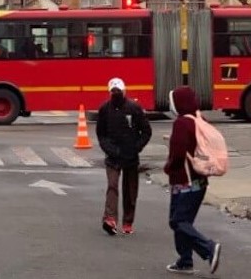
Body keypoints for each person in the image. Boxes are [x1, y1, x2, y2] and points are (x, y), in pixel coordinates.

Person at [164, 85, 221, 275]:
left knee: (178, 221)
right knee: (183, 221)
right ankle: (185, 260)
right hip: (200, 181)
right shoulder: (199, 119)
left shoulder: (181, 123)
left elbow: (178, 154)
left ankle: (208, 248)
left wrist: (168, 167)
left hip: (185, 181)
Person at [95, 77, 152, 236]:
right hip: (113, 157)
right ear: (109, 93)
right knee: (112, 186)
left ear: (124, 91)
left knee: (130, 191)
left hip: (131, 157)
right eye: (113, 91)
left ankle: (128, 222)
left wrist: (136, 147)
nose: (116, 94)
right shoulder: (104, 109)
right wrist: (111, 150)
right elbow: (101, 134)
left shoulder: (134, 108)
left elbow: (146, 131)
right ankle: (110, 219)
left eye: (118, 91)